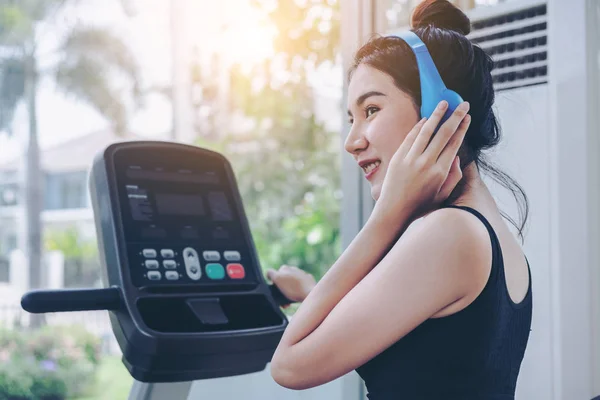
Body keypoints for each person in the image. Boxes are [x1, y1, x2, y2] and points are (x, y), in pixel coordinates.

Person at [266, 0, 533, 398]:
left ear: (438, 115)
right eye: (351, 119)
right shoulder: (487, 231)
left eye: (371, 109)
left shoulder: (450, 233)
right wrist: (311, 292)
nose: (352, 142)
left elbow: (288, 366)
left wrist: (389, 211)